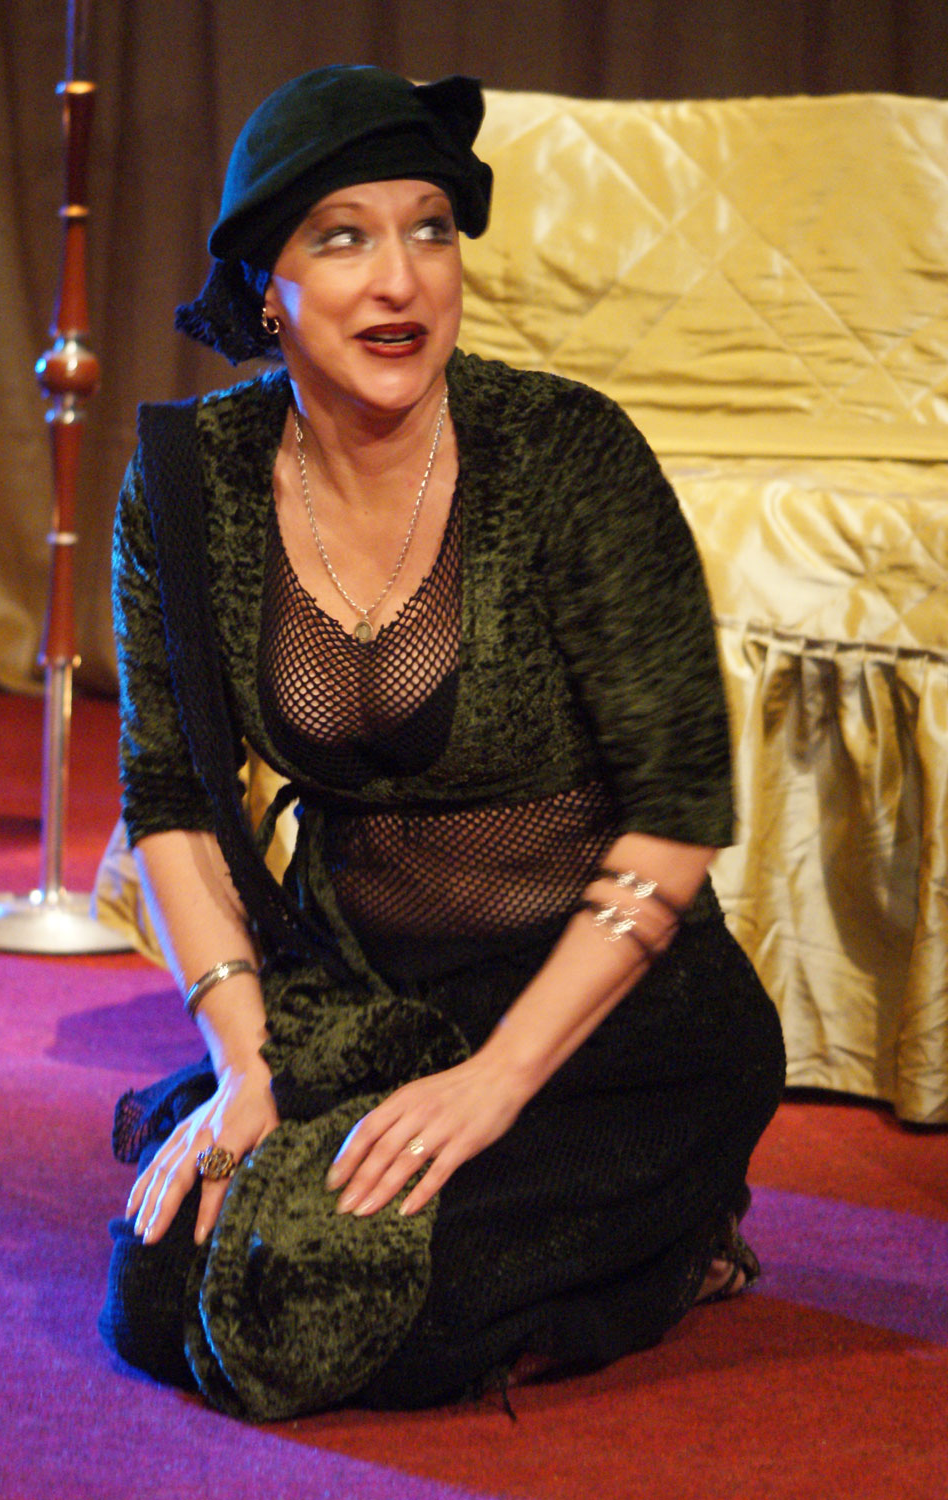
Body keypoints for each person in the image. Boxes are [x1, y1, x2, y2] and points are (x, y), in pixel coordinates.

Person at [99, 64, 786, 1421]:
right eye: (343, 238)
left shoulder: (565, 455)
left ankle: (674, 1241)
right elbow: (169, 799)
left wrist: (496, 1086)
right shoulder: (192, 485)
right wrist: (245, 1067)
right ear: (268, 286)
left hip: (606, 1026)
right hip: (363, 1000)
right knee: (161, 1294)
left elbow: (679, 807)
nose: (400, 280)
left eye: (428, 229)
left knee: (349, 1319)